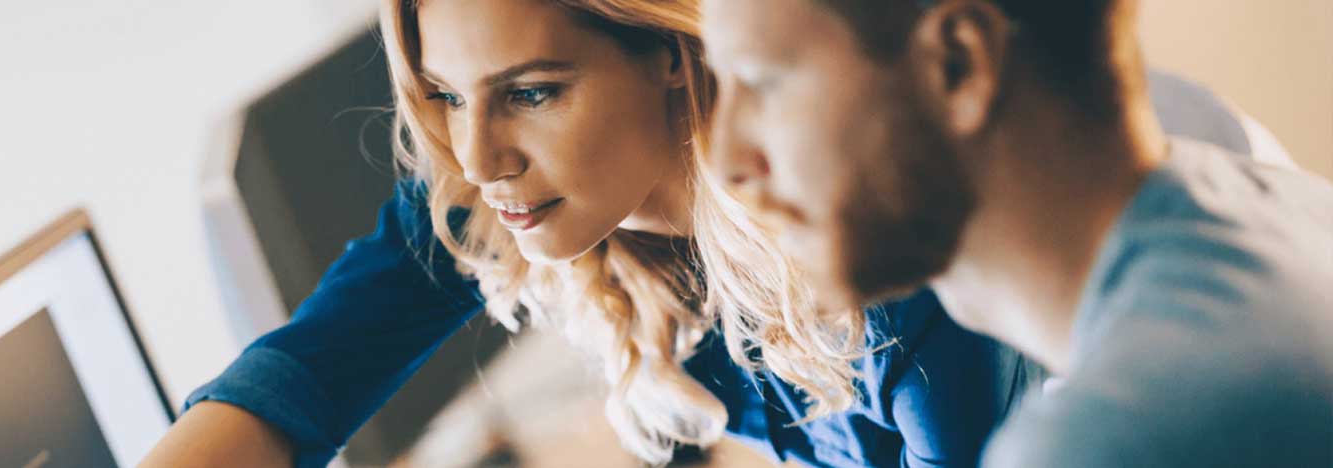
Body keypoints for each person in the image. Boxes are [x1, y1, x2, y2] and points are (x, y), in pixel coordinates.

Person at [143, 1, 1013, 467]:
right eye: (446, 94)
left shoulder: (878, 262)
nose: (478, 156)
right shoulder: (495, 191)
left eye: (532, 93)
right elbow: (300, 378)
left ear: (671, 52)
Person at [695, 0, 1333, 466]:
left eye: (762, 83)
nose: (725, 160)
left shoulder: (1117, 438)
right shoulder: (1283, 208)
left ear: (958, 64)